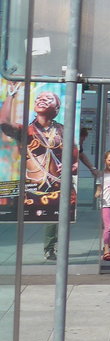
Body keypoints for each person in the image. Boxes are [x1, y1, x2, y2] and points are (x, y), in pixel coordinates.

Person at [0, 89, 91, 260]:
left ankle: (51, 248)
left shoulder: (64, 131)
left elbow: (74, 157)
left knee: (58, 220)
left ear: (57, 109)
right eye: (39, 98)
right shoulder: (26, 131)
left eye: (48, 99)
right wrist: (11, 95)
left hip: (59, 189)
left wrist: (73, 166)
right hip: (32, 190)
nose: (42, 100)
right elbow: (4, 123)